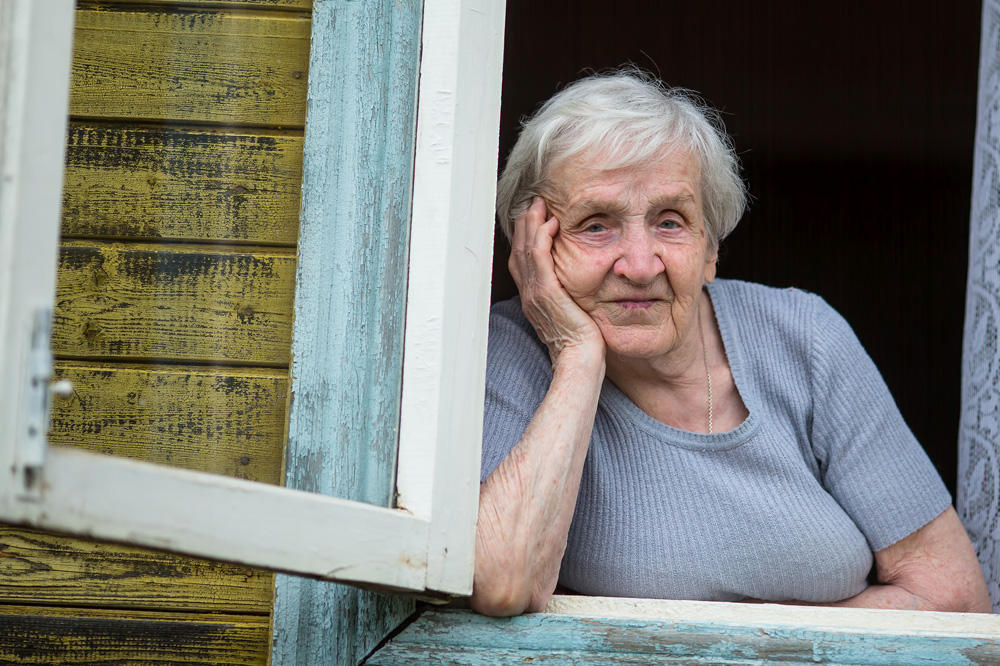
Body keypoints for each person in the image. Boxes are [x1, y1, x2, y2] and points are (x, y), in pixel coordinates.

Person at [471, 69, 991, 617]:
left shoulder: (804, 338)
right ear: (533, 246)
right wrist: (575, 356)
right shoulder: (509, 353)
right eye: (596, 225)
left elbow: (956, 601)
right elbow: (502, 581)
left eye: (671, 222)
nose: (641, 265)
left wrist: (759, 644)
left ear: (711, 249)